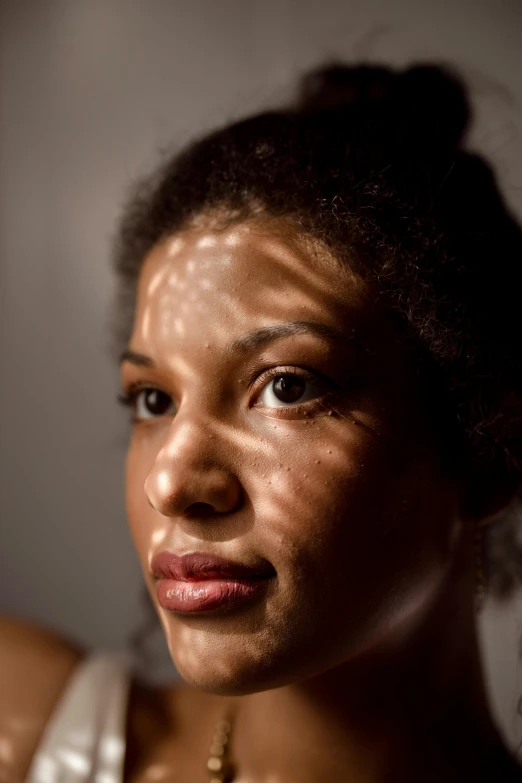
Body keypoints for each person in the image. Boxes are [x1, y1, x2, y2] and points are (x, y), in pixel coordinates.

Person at [2, 61, 522, 783]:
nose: (172, 481)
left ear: (488, 449)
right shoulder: (23, 727)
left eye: (286, 386)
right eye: (153, 399)